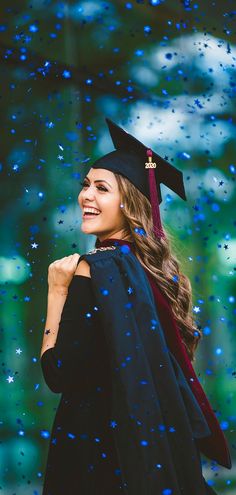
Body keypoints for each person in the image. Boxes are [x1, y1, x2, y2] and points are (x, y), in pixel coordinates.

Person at [40, 118, 231, 495]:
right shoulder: (148, 274)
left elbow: (58, 373)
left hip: (93, 453)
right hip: (142, 448)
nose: (85, 196)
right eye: (85, 185)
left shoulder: (96, 270)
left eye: (101, 188)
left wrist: (56, 292)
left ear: (129, 203)